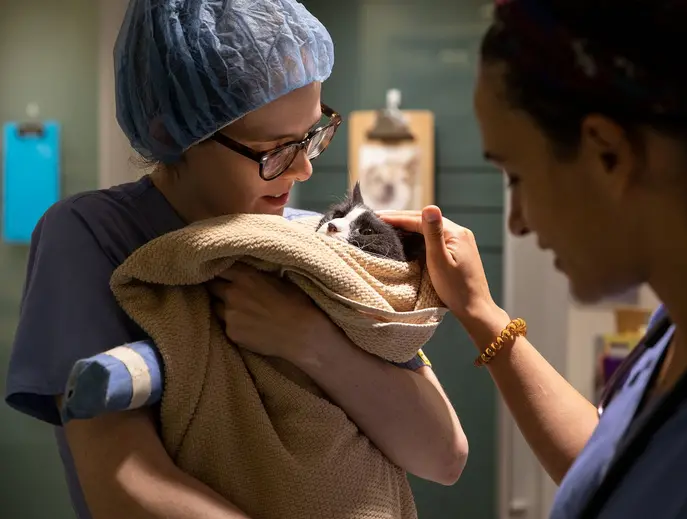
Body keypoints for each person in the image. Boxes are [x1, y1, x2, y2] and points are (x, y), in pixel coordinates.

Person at [3, 1, 467, 518]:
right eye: (274, 149)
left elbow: (442, 455)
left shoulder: (312, 241)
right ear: (169, 133)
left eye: (312, 136)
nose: (305, 171)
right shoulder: (91, 236)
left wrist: (308, 340)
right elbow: (124, 486)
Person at [381, 0, 687, 518]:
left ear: (607, 153)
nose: (517, 221)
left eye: (517, 176)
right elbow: (623, 476)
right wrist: (480, 312)